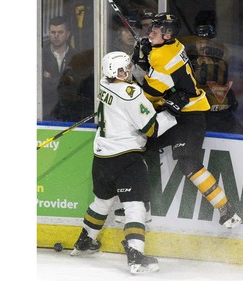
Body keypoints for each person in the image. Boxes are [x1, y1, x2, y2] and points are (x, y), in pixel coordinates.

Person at [70, 51, 178, 274]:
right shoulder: (131, 93)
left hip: (102, 157)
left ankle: (84, 241)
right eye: (122, 70)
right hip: (127, 158)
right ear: (112, 71)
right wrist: (171, 113)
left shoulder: (104, 84)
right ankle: (135, 255)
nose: (127, 72)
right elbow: (151, 129)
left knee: (102, 202)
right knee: (135, 207)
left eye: (128, 68)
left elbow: (124, 103)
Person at [137, 13, 242, 228]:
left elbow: (149, 94)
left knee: (188, 163)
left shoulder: (163, 56)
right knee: (138, 148)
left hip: (189, 116)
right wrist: (148, 55)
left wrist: (142, 63)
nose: (150, 33)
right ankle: (142, 207)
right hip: (174, 112)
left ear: (167, 35)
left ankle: (227, 210)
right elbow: (166, 75)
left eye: (154, 31)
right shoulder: (173, 46)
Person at [181, 11, 243, 134]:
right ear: (196, 40)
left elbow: (223, 83)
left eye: (208, 40)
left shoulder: (221, 58)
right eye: (201, 40)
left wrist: (228, 96)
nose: (205, 44)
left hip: (220, 113)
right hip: (198, 112)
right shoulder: (186, 57)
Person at [42, 15, 76, 120]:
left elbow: (75, 88)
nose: (56, 35)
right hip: (45, 113)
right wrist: (65, 80)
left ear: (68, 34)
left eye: (60, 32)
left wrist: (51, 79)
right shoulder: (40, 56)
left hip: (71, 114)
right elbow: (42, 87)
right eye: (53, 32)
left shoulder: (76, 57)